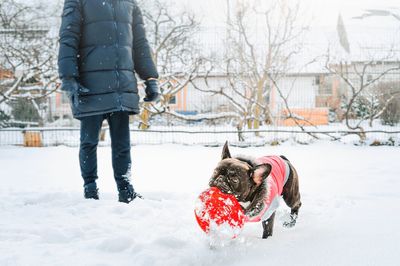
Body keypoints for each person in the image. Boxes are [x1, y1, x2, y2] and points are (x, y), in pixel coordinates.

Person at [58, 0, 159, 203]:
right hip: (90, 84)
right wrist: (68, 76)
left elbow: (139, 43)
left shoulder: (129, 3)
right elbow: (68, 37)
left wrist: (150, 78)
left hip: (121, 86)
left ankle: (125, 188)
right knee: (89, 142)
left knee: (122, 144)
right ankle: (90, 189)